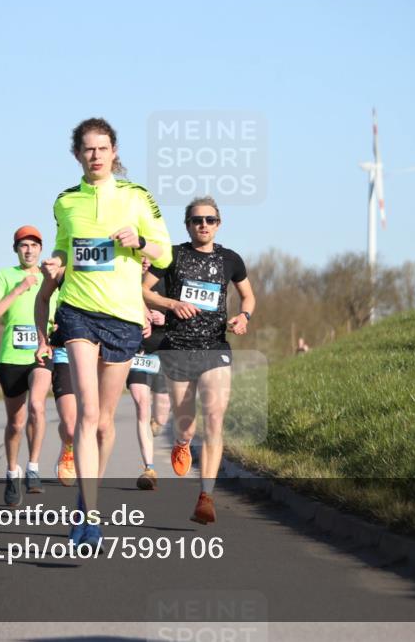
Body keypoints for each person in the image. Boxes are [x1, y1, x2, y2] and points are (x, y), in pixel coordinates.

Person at [35, 117, 172, 545]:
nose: (95, 155)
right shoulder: (65, 201)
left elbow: (164, 254)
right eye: (87, 149)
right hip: (77, 310)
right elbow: (63, 245)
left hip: (124, 315)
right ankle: (90, 515)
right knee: (86, 413)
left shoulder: (137, 197)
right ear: (77, 154)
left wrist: (137, 242)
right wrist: (56, 262)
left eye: (102, 148)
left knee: (105, 422)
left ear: (114, 152)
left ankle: (86, 500)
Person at [143, 196, 255, 524]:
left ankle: (206, 496)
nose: (203, 225)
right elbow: (144, 291)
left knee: (215, 418)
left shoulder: (230, 259)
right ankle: (182, 441)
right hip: (177, 348)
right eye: (196, 220)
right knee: (186, 421)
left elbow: (248, 295)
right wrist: (171, 304)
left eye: (209, 219)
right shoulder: (173, 256)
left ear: (219, 224)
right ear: (188, 225)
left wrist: (244, 316)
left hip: (215, 348)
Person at [0, 226, 58, 507]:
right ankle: (12, 472)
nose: (29, 250)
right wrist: (18, 289)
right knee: (15, 422)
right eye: (23, 245)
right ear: (16, 249)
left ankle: (34, 468)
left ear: (41, 249)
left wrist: (54, 329)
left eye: (34, 245)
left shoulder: (51, 277)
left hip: (40, 354)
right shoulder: (4, 276)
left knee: (38, 407)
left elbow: (60, 314)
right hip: (11, 358)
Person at [127, 258, 171, 490]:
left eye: (148, 257)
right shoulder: (124, 279)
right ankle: (149, 468)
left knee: (161, 414)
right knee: (142, 404)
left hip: (163, 350)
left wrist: (167, 319)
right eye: (139, 256)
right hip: (137, 352)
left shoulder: (168, 281)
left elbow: (186, 313)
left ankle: (156, 424)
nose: (144, 262)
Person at [35, 271, 77, 487]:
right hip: (65, 351)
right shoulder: (63, 269)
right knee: (70, 426)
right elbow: (42, 299)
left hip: (101, 352)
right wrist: (44, 338)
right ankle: (68, 448)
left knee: (98, 423)